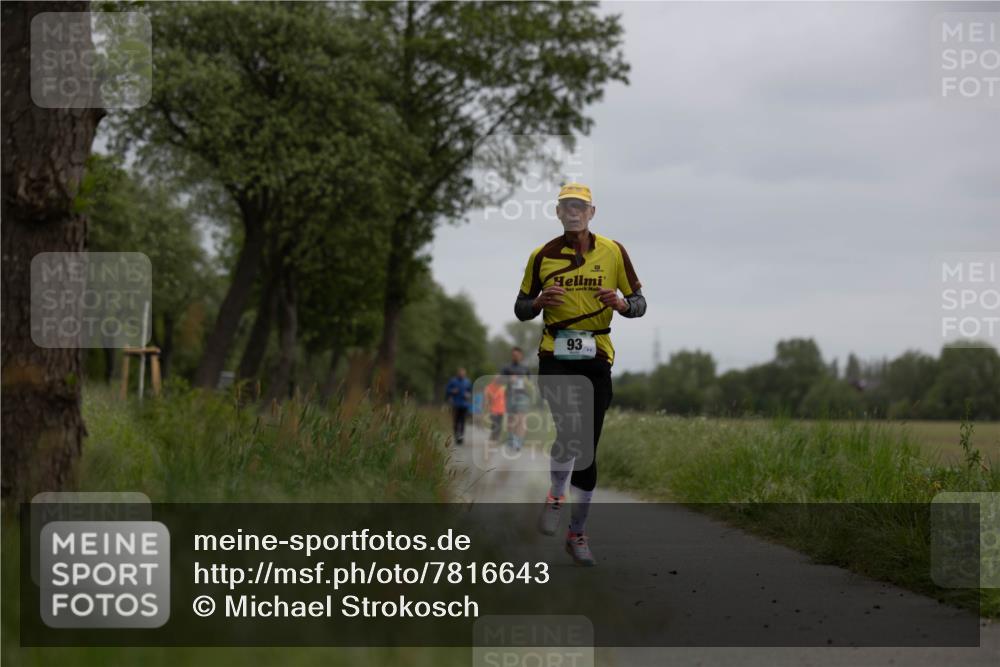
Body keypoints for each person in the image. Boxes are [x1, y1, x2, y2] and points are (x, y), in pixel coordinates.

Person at [513, 182, 646, 566]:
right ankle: (556, 493)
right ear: (557, 213)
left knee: (586, 448)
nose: (573, 212)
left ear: (592, 212)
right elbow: (521, 308)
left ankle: (577, 534)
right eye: (566, 206)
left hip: (597, 356)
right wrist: (538, 301)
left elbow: (640, 302)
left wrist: (622, 304)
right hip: (555, 354)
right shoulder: (542, 255)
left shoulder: (614, 251)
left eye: (580, 207)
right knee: (572, 432)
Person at [501, 347, 531, 452]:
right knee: (511, 419)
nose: (516, 357)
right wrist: (509, 379)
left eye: (517, 355)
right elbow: (500, 381)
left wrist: (527, 384)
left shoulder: (525, 368)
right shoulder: (506, 368)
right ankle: (510, 439)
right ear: (512, 356)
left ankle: (518, 442)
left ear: (521, 356)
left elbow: (529, 382)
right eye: (514, 355)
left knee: (521, 419)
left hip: (523, 396)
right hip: (510, 395)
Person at [444, 368, 472, 445]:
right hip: (456, 404)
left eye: (463, 373)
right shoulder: (453, 381)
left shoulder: (467, 381)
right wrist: (452, 391)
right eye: (461, 373)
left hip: (464, 405)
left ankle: (461, 436)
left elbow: (470, 392)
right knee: (456, 421)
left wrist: (468, 395)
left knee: (463, 421)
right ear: (458, 373)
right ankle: (456, 435)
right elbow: (447, 390)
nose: (462, 374)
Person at [483, 377, 507, 444]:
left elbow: (504, 398)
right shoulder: (490, 387)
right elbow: (487, 398)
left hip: (501, 409)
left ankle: (496, 437)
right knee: (495, 423)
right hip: (493, 409)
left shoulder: (502, 387)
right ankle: (494, 437)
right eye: (497, 379)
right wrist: (487, 406)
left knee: (499, 424)